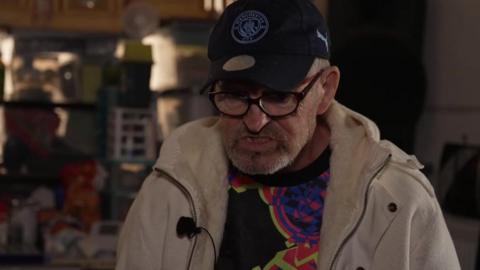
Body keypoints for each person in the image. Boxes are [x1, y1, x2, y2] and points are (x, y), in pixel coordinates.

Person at [116, 0, 460, 269]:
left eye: (279, 97)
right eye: (235, 95)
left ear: (325, 89)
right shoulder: (170, 189)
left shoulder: (396, 199)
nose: (254, 121)